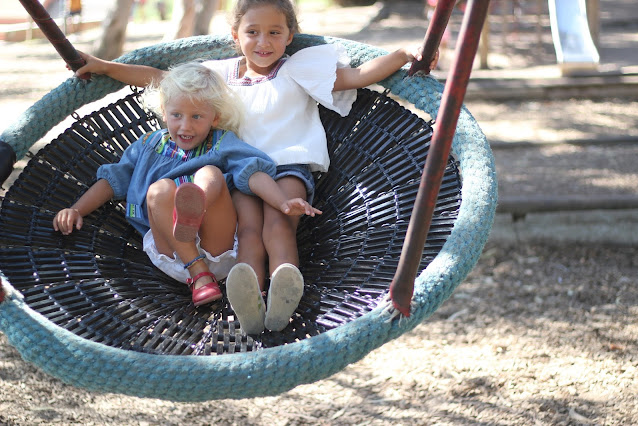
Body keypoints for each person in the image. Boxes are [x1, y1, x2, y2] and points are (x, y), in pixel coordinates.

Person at [71, 0, 437, 333]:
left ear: (289, 36)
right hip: (237, 173)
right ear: (236, 35)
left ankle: (284, 289)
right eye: (253, 32)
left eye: (275, 32)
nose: (264, 42)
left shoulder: (298, 69)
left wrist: (402, 54)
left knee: (278, 224)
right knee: (247, 232)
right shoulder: (218, 76)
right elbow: (162, 80)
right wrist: (105, 66)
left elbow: (356, 77)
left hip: (288, 166)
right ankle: (249, 299)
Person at [53, 62, 320, 317]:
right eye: (176, 115)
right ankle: (197, 267)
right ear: (163, 111)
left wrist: (282, 202)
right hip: (172, 251)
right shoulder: (148, 145)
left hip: (219, 247)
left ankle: (195, 206)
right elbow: (114, 180)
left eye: (197, 117)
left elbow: (252, 173)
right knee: (159, 190)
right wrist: (77, 209)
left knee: (210, 174)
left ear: (215, 118)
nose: (185, 126)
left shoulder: (221, 142)